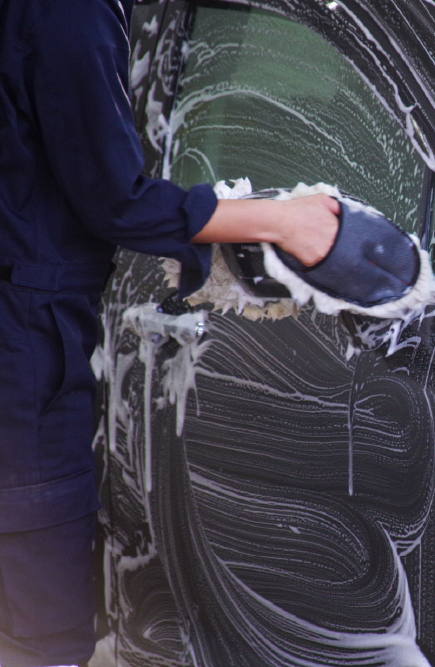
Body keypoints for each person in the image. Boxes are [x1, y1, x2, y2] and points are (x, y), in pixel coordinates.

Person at [0, 0, 340, 664]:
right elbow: (115, 197)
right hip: (25, 348)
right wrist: (279, 222)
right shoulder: (67, 11)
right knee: (42, 629)